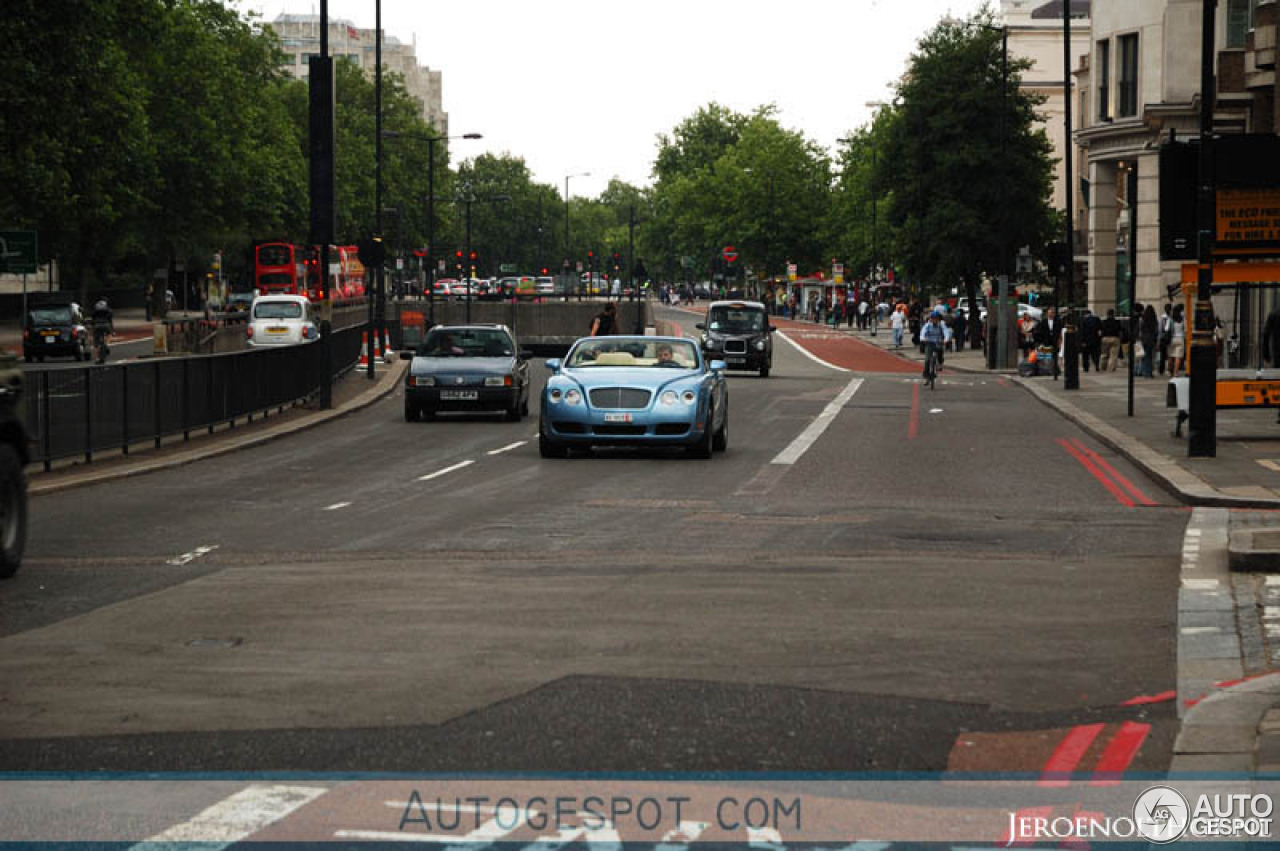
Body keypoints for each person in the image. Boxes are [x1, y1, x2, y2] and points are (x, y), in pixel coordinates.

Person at [920, 311, 946, 378]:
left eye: (936, 318)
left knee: (940, 351)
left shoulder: (941, 324)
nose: (934, 320)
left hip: (938, 342)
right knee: (927, 359)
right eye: (933, 318)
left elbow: (946, 332)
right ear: (930, 319)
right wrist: (922, 338)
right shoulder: (927, 325)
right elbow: (923, 332)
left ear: (938, 319)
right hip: (929, 342)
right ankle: (926, 373)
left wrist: (946, 339)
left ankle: (940, 363)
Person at [1138, 304, 1158, 378]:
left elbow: (1140, 330)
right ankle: (1149, 372)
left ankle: (1144, 372)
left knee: (1143, 356)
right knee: (1150, 356)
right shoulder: (1155, 320)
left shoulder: (1142, 320)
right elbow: (1156, 331)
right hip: (1151, 340)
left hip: (1143, 339)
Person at [1169, 304, 1186, 377]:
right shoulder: (1183, 319)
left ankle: (1170, 371)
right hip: (1180, 339)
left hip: (1172, 339)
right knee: (1177, 357)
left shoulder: (1171, 319)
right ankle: (1175, 373)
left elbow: (1167, 329)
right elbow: (1186, 329)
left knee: (1170, 356)